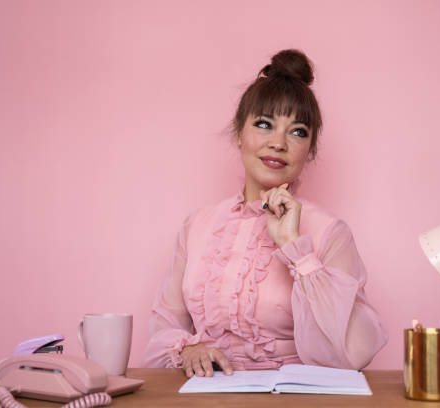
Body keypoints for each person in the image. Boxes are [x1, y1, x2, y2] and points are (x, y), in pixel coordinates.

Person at [142, 49, 387, 377]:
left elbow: (353, 351)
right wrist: (189, 348)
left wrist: (295, 250)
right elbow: (165, 325)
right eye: (264, 125)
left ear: (310, 149)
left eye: (298, 131)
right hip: (205, 396)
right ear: (240, 133)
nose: (279, 143)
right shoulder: (197, 226)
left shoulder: (330, 232)